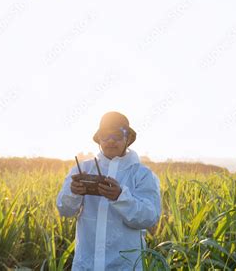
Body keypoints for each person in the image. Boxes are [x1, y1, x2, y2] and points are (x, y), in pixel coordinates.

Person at [56, 111, 161, 270]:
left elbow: (149, 218)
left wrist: (120, 197)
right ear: (99, 139)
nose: (111, 141)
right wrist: (73, 193)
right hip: (86, 264)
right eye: (105, 135)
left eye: (117, 135)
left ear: (128, 139)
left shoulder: (143, 174)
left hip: (125, 266)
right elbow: (65, 210)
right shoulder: (82, 169)